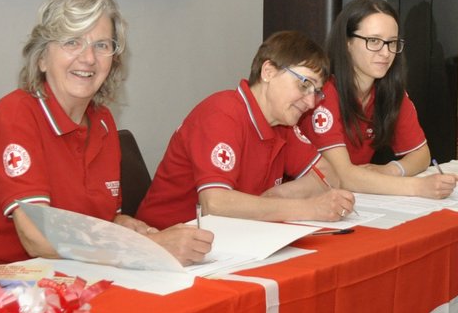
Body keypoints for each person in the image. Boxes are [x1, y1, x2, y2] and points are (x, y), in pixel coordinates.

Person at [0, 0, 213, 266]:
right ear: (42, 59)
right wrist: (147, 248)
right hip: (10, 283)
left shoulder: (103, 121)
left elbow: (98, 220)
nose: (88, 58)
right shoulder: (16, 113)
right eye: (72, 42)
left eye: (101, 45)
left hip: (82, 273)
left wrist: (125, 226)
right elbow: (36, 237)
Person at [136, 31, 357, 229]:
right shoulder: (222, 113)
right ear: (268, 71)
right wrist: (310, 209)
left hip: (232, 238)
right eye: (304, 85)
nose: (310, 102)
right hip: (167, 242)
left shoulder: (283, 122)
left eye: (316, 92)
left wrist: (275, 197)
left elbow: (328, 176)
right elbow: (215, 203)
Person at [305, 0, 458, 199]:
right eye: (374, 41)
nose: (385, 53)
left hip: (356, 197)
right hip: (309, 200)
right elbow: (342, 176)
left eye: (392, 43)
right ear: (347, 43)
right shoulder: (322, 93)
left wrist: (391, 170)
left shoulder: (390, 91)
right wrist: (418, 188)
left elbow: (422, 155)